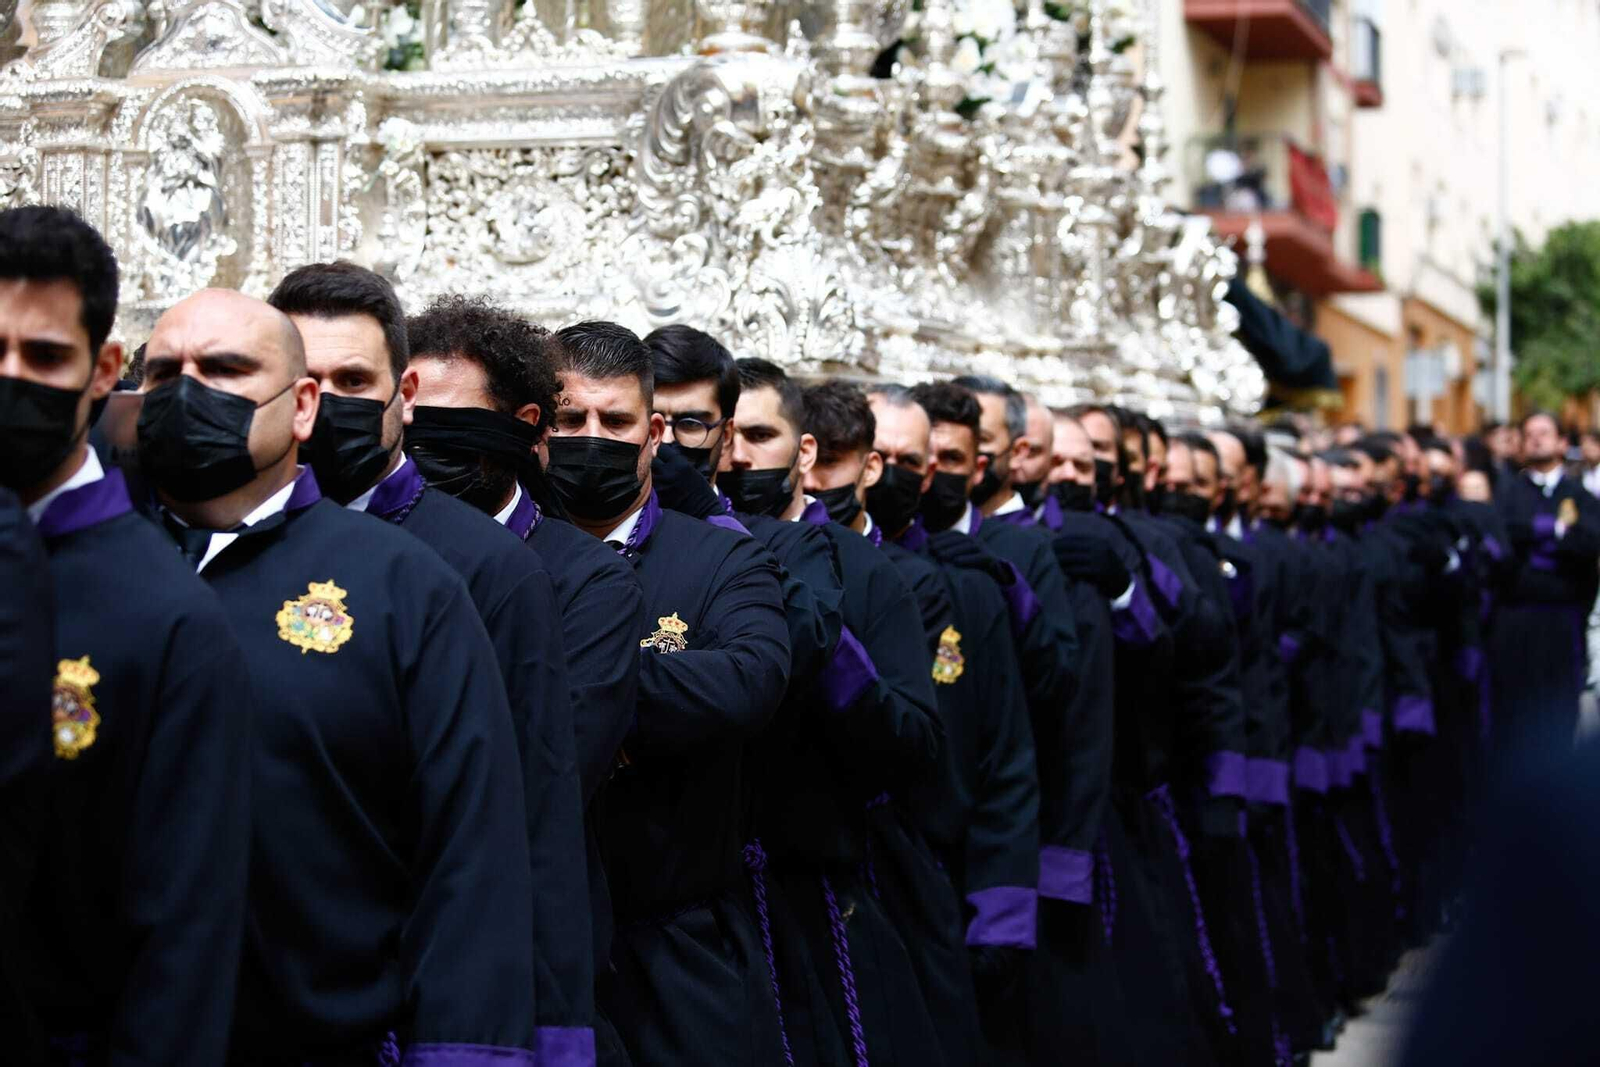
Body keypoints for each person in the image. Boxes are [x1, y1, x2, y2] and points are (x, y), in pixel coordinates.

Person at [136, 287, 537, 1063]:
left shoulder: (405, 588)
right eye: (164, 373)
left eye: (226, 369)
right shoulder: (87, 572)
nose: (191, 392)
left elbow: (469, 857)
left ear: (303, 405)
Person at [267, 266, 595, 1067]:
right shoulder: (231, 543)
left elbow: (532, 824)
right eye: (306, 379)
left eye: (353, 378)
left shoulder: (486, 567)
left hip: (402, 1000)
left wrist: (532, 1035)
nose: (328, 402)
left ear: (402, 391)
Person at [0, 205, 251, 1066]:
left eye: (42, 356)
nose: (11, 377)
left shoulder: (169, 617)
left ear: (104, 368)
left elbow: (184, 935)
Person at [543, 320, 792, 1067]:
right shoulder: (509, 553)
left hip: (679, 944)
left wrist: (578, 686)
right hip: (541, 946)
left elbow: (749, 677)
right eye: (570, 420)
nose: (592, 437)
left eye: (614, 420)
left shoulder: (720, 557)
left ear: (653, 431)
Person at [729, 362, 947, 1067]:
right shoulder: (682, 550)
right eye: (724, 433)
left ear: (806, 450)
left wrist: (833, 654)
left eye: (760, 435)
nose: (737, 455)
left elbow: (916, 737)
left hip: (827, 889)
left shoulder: (866, 569)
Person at [864, 382, 1039, 1066]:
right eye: (875, 455)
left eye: (909, 461)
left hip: (940, 880)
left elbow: (1007, 753)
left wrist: (1001, 908)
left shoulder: (965, 586)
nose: (889, 475)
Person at [1491, 411, 1600, 748]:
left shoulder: (1580, 496)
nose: (1536, 438)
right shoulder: (1508, 494)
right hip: (1516, 617)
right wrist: (1549, 533)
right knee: (1514, 714)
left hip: (1562, 617)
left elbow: (1588, 542)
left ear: (1562, 442)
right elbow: (1503, 538)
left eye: (1544, 432)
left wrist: (1548, 538)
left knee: (1558, 712)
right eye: (1529, 433)